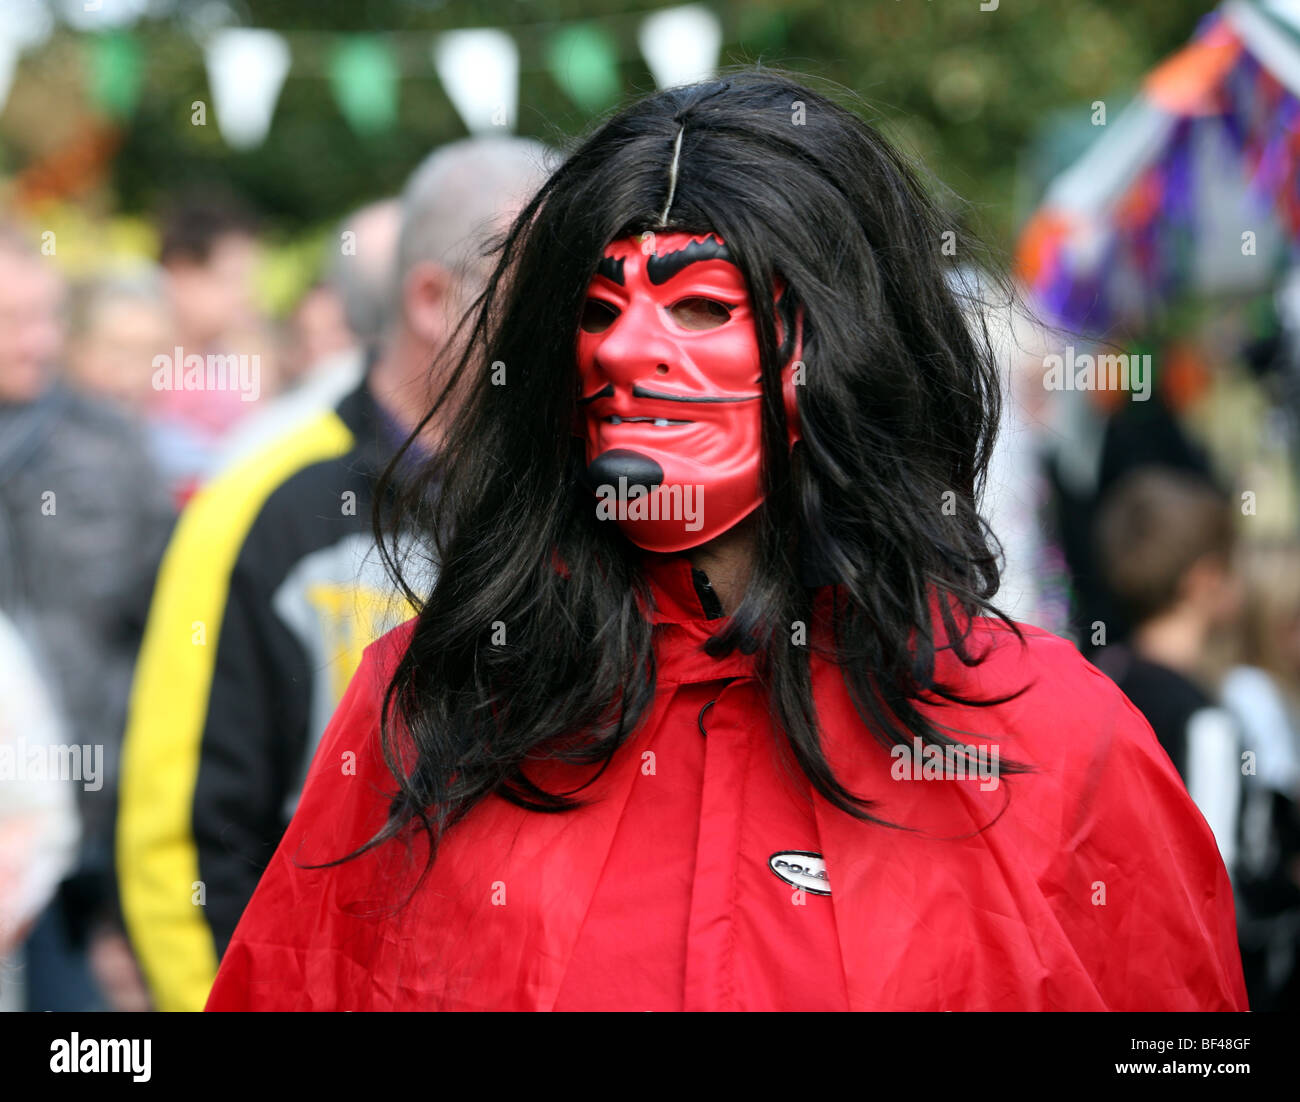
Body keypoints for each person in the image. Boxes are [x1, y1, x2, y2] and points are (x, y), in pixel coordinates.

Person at [207, 71, 1246, 1012]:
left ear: (843, 351)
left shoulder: (1055, 744)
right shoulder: (434, 706)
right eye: (599, 306)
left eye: (701, 304)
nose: (625, 346)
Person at [118, 137, 554, 1013]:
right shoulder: (261, 501)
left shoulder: (564, 496)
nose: (578, 325)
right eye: (540, 291)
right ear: (433, 297)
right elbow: (178, 835)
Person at [0, 219, 174, 1010]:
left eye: (47, 318)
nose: (39, 341)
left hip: (76, 835)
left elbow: (166, 638)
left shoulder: (111, 448)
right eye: (13, 320)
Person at [1093, 466, 1245, 877]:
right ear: (1204, 580)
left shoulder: (1099, 682)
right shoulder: (1202, 721)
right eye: (1230, 567)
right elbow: (1216, 879)